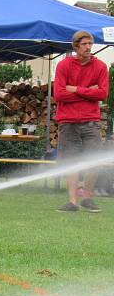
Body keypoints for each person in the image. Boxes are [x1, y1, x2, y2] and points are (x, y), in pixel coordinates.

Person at [53, 30, 109, 213]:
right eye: (84, 44)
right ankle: (73, 202)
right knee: (72, 162)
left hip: (91, 121)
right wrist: (88, 92)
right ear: (76, 46)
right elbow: (59, 94)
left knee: (95, 161)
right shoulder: (63, 66)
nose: (88, 47)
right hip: (68, 121)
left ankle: (87, 198)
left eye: (90, 44)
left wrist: (76, 89)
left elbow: (103, 93)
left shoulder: (100, 66)